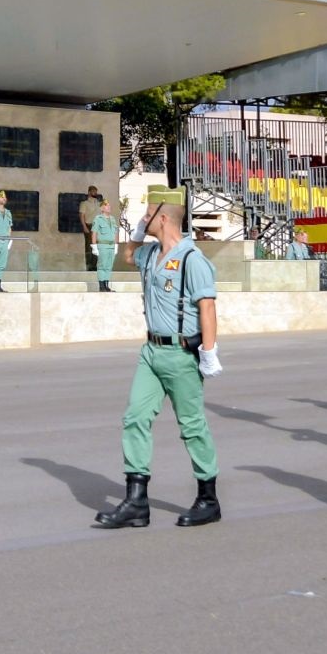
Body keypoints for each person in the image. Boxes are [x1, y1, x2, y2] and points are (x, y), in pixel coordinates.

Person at [92, 186, 223, 530]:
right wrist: (136, 233)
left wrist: (209, 352)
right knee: (134, 418)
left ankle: (208, 498)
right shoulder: (150, 254)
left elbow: (207, 308)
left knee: (192, 426)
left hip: (181, 353)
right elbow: (125, 257)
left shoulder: (193, 260)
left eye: (148, 213)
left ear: (163, 217)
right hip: (151, 352)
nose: (143, 217)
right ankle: (136, 501)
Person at [93, 197, 120, 291]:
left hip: (111, 246)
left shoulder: (112, 219)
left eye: (109, 205)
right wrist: (94, 246)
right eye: (106, 205)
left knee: (109, 266)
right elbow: (94, 232)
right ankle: (101, 286)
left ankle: (106, 285)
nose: (109, 207)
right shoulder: (98, 219)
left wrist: (116, 245)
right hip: (103, 245)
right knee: (102, 266)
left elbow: (116, 232)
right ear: (102, 208)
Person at [79, 186, 104, 270]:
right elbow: (82, 216)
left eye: (96, 191)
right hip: (89, 225)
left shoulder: (99, 203)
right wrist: (84, 226)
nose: (95, 193)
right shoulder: (84, 203)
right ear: (89, 192)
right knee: (89, 246)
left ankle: (95, 265)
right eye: (93, 191)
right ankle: (89, 265)